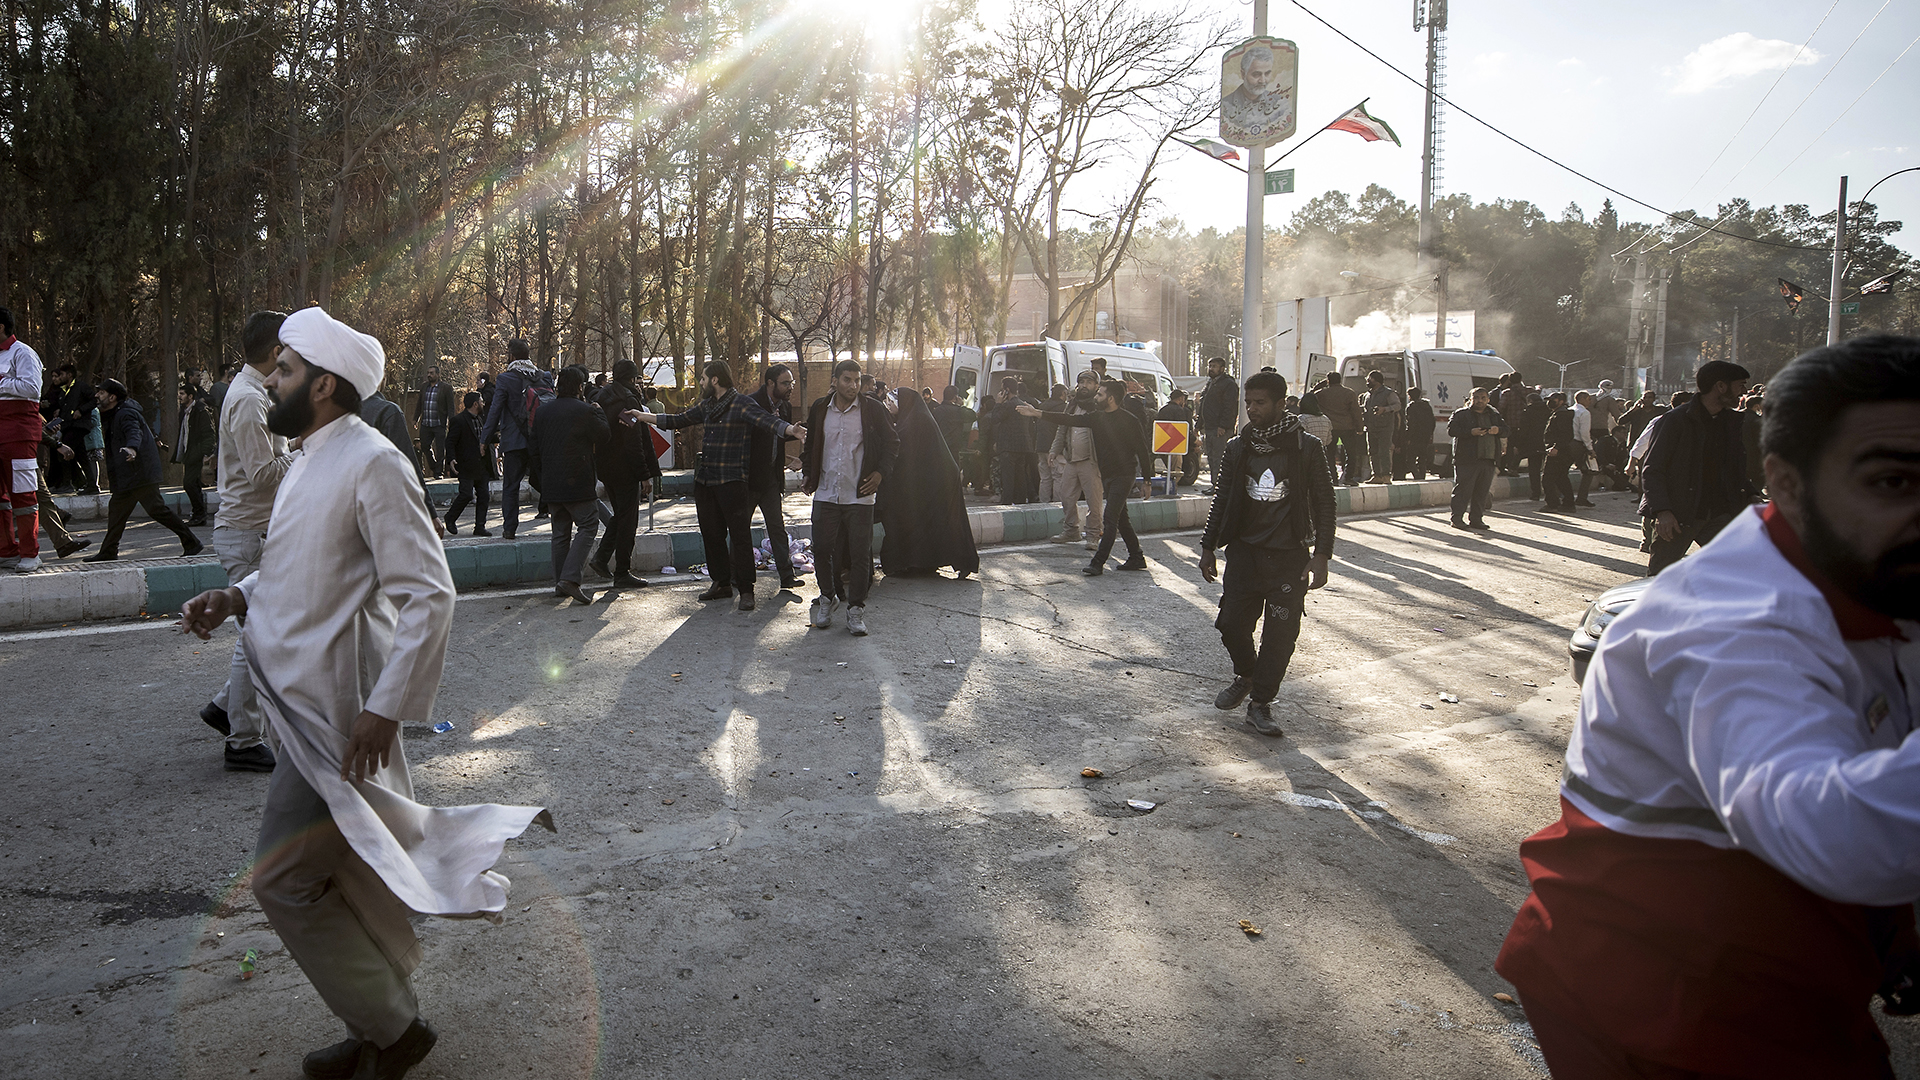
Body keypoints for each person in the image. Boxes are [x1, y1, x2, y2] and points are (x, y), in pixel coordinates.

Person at [1496, 334, 1920, 1079]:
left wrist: (1888, 937)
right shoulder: (1736, 627)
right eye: (1891, 483)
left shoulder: (1871, 571)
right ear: (1788, 483)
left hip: (1781, 954)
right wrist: (1663, 514)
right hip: (1670, 1001)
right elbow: (1828, 826)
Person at [178, 305, 549, 1080]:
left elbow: (430, 592)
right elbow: (297, 567)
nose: (268, 380)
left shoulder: (374, 461)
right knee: (347, 873)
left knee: (282, 881)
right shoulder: (311, 455)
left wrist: (386, 708)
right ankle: (375, 1018)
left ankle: (393, 1025)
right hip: (299, 707)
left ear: (321, 383)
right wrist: (238, 597)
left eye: (281, 370)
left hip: (340, 720)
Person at [1196, 371, 1336, 736]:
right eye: (1248, 403)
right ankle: (1246, 673)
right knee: (1230, 625)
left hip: (1288, 558)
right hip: (1244, 555)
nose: (1252, 410)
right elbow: (1222, 498)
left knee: (1280, 636)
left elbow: (1325, 501)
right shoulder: (1238, 448)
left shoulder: (1306, 448)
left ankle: (1260, 703)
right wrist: (1208, 546)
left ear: (1279, 403)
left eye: (1260, 403)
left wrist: (1321, 554)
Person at [200, 311, 297, 773]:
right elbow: (262, 476)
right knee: (256, 641)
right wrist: (306, 449)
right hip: (247, 534)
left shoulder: (256, 394)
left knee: (257, 635)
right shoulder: (249, 400)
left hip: (254, 531)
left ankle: (224, 708)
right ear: (276, 352)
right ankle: (242, 742)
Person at [633, 360, 804, 612]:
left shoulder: (742, 404)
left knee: (740, 537)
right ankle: (721, 583)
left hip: (732, 482)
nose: (700, 383)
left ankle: (746, 590)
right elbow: (677, 420)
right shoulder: (707, 405)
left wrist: (790, 428)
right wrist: (641, 416)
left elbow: (768, 421)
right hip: (706, 482)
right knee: (712, 535)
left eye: (702, 378)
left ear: (715, 380)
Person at [1019, 380, 1154, 576]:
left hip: (1124, 475)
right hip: (1107, 474)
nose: (1096, 397)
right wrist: (1037, 413)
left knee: (1110, 518)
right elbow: (1068, 420)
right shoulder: (1097, 418)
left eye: (1100, 394)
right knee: (1121, 518)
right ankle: (1136, 557)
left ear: (1111, 398)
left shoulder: (1130, 420)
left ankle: (1097, 563)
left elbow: (1142, 451)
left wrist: (1147, 481)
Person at [800, 359, 896, 634]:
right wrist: (808, 473)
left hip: (860, 495)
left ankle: (855, 609)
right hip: (827, 493)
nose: (853, 386)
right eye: (847, 380)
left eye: (857, 381)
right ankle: (827, 598)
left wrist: (879, 474)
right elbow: (812, 446)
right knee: (821, 548)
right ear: (835, 381)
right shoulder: (820, 408)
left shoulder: (872, 409)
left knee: (859, 554)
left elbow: (893, 443)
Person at [1639, 360, 1753, 575]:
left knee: (1735, 573)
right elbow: (1653, 468)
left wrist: (1751, 494)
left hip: (1719, 514)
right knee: (1661, 580)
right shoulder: (1675, 421)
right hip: (1679, 515)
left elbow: (1731, 468)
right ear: (1721, 386)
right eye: (1740, 385)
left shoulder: (1732, 422)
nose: (1744, 392)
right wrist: (1662, 511)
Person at [80, 378, 204, 562]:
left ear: (112, 397)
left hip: (140, 473)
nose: (97, 395)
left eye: (101, 392)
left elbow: (133, 432)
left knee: (157, 510)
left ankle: (192, 542)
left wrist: (132, 448)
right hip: (129, 474)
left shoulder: (125, 414)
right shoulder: (115, 413)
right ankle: (108, 551)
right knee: (117, 513)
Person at [877, 389, 979, 579]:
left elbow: (904, 455)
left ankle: (907, 563)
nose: (887, 404)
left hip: (934, 483)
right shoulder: (911, 420)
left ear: (904, 403)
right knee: (923, 524)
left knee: (921, 523)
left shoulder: (914, 423)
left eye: (891, 401)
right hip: (928, 483)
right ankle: (919, 563)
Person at [529, 366, 610, 605]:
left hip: (551, 483)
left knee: (560, 533)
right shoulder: (585, 411)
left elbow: (533, 449)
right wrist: (600, 413)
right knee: (588, 524)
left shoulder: (543, 412)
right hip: (578, 480)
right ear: (579, 387)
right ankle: (571, 579)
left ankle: (560, 583)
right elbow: (604, 436)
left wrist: (542, 478)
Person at [586, 359, 659, 588]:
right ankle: (621, 572)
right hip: (626, 469)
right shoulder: (628, 401)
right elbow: (634, 441)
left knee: (620, 516)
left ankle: (602, 558)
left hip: (606, 468)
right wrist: (644, 474)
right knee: (628, 521)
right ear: (631, 378)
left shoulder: (601, 397)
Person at [478, 339, 554, 539]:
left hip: (515, 441)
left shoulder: (505, 379)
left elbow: (495, 411)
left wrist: (484, 439)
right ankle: (560, 521)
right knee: (548, 481)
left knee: (511, 486)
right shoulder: (544, 377)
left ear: (511, 356)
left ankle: (510, 528)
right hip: (541, 441)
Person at [744, 364, 802, 591]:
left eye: (792, 383)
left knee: (777, 526)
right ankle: (735, 575)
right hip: (748, 479)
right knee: (741, 528)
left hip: (771, 479)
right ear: (770, 384)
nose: (790, 388)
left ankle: (787, 576)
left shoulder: (785, 407)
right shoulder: (750, 403)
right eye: (785, 383)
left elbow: (781, 437)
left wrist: (790, 460)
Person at [0, 307, 45, 572]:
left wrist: (1, 382)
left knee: (24, 495)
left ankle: (31, 553)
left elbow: (31, 388)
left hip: (18, 434)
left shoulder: (24, 353)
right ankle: (6, 550)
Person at [1049, 373, 1104, 549]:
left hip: (1091, 461)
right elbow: (1062, 429)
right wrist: (1054, 450)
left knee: (1093, 500)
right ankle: (1071, 530)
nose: (1084, 385)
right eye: (1081, 382)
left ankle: (1093, 534)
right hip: (1072, 459)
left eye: (1089, 382)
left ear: (1096, 386)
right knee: (1066, 496)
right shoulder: (1071, 406)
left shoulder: (1098, 408)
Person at [1447, 386, 1505, 531]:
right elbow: (1452, 430)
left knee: (1482, 492)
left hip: (1488, 458)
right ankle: (1457, 518)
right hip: (1467, 459)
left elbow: (1506, 429)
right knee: (1463, 491)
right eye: (1476, 398)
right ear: (1470, 399)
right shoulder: (1461, 414)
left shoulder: (1493, 415)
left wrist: (1498, 430)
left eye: (1483, 398)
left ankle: (1476, 519)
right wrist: (1470, 432)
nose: (1480, 401)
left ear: (1488, 399)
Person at [1220, 41, 1294, 146]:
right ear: (1243, 74)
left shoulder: (1281, 104)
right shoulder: (1227, 106)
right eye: (1256, 74)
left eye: (1267, 73)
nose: (1263, 81)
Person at [981, 376, 1040, 505]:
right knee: (1021, 477)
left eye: (1002, 389)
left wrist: (997, 403)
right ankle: (1020, 502)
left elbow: (995, 418)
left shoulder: (1007, 405)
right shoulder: (1022, 404)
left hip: (1008, 446)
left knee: (1007, 478)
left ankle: (1006, 502)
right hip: (1023, 446)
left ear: (1007, 390)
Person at [442, 392, 493, 536]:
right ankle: (450, 517)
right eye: (481, 401)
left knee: (484, 495)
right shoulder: (458, 420)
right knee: (466, 494)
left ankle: (480, 527)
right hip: (465, 464)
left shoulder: (482, 419)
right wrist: (451, 458)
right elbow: (450, 441)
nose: (483, 403)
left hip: (481, 465)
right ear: (475, 404)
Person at [171, 384, 218, 526]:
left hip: (196, 453)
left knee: (189, 483)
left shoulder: (200, 410)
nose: (179, 396)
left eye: (182, 394)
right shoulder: (185, 411)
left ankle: (199, 514)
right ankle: (199, 515)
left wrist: (205, 453)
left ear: (190, 396)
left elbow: (209, 434)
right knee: (193, 484)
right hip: (189, 452)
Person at [1316, 371, 1364, 485]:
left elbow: (1306, 399)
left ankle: (1333, 478)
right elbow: (1356, 412)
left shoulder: (1321, 394)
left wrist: (1319, 386)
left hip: (1330, 427)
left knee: (1330, 454)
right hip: (1348, 427)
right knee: (1351, 453)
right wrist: (1359, 428)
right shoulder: (1349, 393)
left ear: (1328, 381)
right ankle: (1348, 477)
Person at [1200, 357, 1238, 494]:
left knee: (1219, 457)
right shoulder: (1210, 384)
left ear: (1222, 368)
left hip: (1220, 429)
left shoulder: (1228, 384)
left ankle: (1221, 486)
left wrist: (1223, 425)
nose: (1211, 369)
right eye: (1209, 366)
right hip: (1209, 428)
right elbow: (1203, 406)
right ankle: (1214, 484)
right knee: (1211, 457)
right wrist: (1198, 425)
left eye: (1214, 366)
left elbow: (1230, 406)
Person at [411, 364, 453, 479]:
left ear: (438, 375)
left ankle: (438, 472)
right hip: (426, 423)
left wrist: (451, 421)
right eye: (428, 373)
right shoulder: (424, 387)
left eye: (432, 373)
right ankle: (434, 467)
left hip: (439, 423)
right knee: (424, 446)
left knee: (440, 449)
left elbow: (450, 407)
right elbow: (420, 404)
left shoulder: (446, 388)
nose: (429, 375)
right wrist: (415, 418)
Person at [1360, 369, 1401, 484]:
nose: (1367, 381)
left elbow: (1397, 405)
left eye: (1370, 379)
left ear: (1376, 380)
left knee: (1383, 451)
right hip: (1370, 427)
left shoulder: (1388, 393)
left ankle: (1386, 475)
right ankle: (1376, 475)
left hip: (1384, 427)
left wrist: (1384, 409)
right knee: (1372, 451)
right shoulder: (1367, 395)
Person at [1156, 388, 1194, 486]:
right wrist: (1194, 441)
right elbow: (1183, 429)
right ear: (1181, 398)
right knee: (1176, 470)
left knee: (1169, 468)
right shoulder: (1179, 410)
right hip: (1176, 445)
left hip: (1162, 444)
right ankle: (1172, 487)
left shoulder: (1162, 410)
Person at [1403, 386, 1436, 480]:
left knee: (1410, 459)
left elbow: (1411, 423)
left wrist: (1408, 437)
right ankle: (1422, 476)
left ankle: (1417, 476)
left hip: (1415, 436)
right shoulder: (1427, 406)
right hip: (1425, 436)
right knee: (1422, 458)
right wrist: (1430, 433)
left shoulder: (1411, 406)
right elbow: (1432, 421)